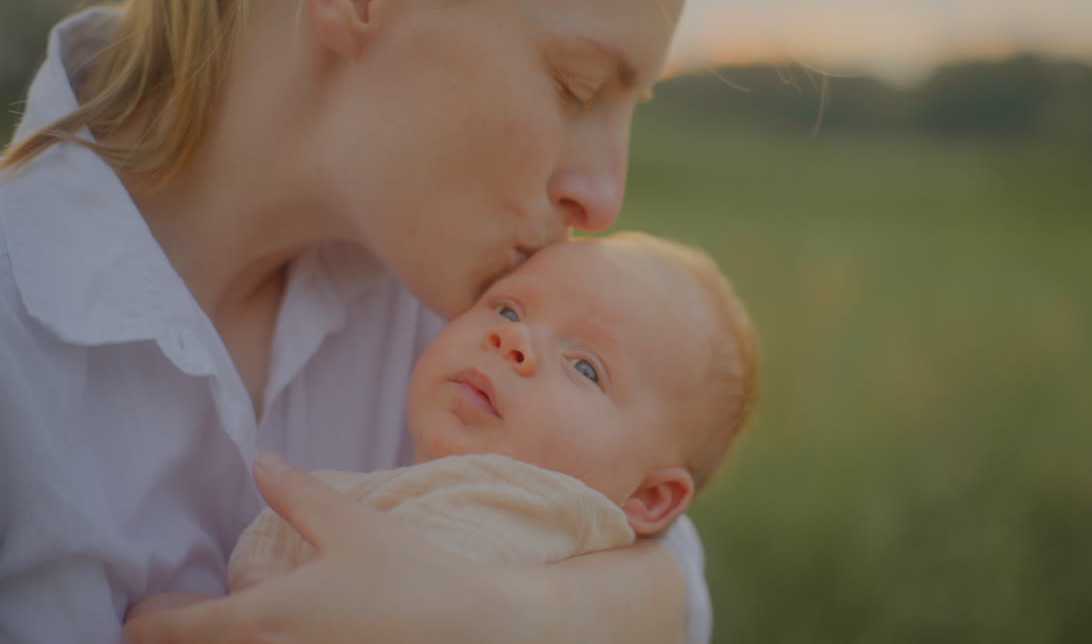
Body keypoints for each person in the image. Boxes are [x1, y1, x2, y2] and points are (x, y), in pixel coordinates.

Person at [0, 0, 711, 642]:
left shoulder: (464, 306)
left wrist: (505, 617)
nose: (604, 197)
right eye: (575, 87)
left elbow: (665, 556)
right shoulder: (20, 349)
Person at [223, 233, 757, 592]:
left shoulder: (497, 537)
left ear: (648, 498)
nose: (512, 338)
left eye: (585, 368)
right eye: (506, 309)